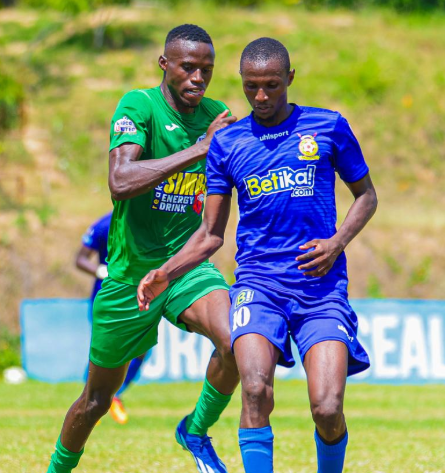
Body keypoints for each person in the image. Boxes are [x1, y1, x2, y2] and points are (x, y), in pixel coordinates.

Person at [138, 37, 378, 473]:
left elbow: (366, 196)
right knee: (254, 390)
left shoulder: (328, 126)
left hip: (320, 289)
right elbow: (211, 234)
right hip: (258, 287)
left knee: (326, 408)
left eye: (271, 85)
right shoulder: (229, 144)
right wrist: (166, 273)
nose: (261, 96)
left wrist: (338, 241)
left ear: (290, 78)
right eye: (251, 87)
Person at [47, 24, 239, 473]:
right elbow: (120, 182)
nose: (198, 78)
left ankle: (195, 429)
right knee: (95, 401)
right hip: (130, 275)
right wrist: (198, 150)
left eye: (206, 70)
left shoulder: (218, 115)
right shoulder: (139, 106)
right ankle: (57, 468)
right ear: (164, 64)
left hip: (186, 267)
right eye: (188, 67)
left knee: (238, 343)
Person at [75, 211, 146, 425]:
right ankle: (90, 402)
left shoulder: (150, 221)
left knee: (141, 348)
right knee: (103, 351)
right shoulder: (105, 225)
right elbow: (80, 259)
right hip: (105, 296)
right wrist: (100, 271)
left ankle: (115, 395)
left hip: (138, 295)